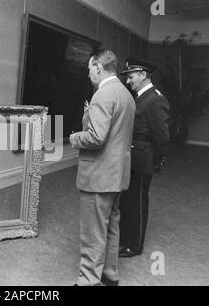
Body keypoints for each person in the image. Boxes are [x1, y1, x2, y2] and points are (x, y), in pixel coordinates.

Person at [70, 50, 135, 286]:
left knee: (92, 231)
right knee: (111, 226)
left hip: (98, 175)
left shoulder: (103, 95)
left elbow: (96, 137)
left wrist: (74, 137)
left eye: (89, 69)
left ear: (98, 67)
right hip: (117, 174)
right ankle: (110, 274)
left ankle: (88, 280)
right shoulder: (125, 94)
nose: (89, 74)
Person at [118, 59, 170, 258]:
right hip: (133, 156)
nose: (128, 81)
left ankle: (135, 245)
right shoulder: (140, 97)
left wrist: (154, 162)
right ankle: (125, 238)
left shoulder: (156, 99)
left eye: (130, 77)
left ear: (142, 74)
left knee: (138, 202)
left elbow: (162, 138)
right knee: (128, 199)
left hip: (142, 159)